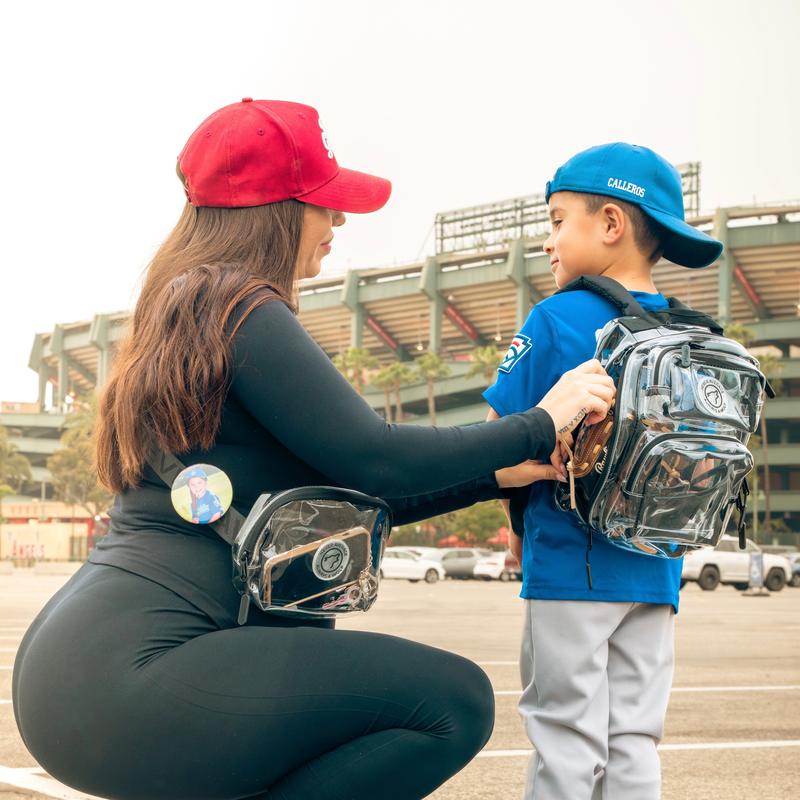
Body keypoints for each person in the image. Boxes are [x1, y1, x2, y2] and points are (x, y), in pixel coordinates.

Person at [12, 98, 614, 800]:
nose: (338, 222)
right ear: (274, 211)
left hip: (84, 671)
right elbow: (376, 457)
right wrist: (541, 421)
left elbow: (348, 504)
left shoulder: (190, 304)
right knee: (452, 704)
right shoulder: (241, 307)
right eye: (323, 205)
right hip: (141, 671)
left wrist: (496, 474)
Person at [483, 143, 724, 800]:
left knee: (567, 735)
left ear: (611, 223)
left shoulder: (558, 318)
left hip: (571, 565)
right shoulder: (691, 333)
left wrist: (516, 534)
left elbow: (501, 442)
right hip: (658, 571)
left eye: (558, 221)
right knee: (635, 740)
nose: (548, 241)